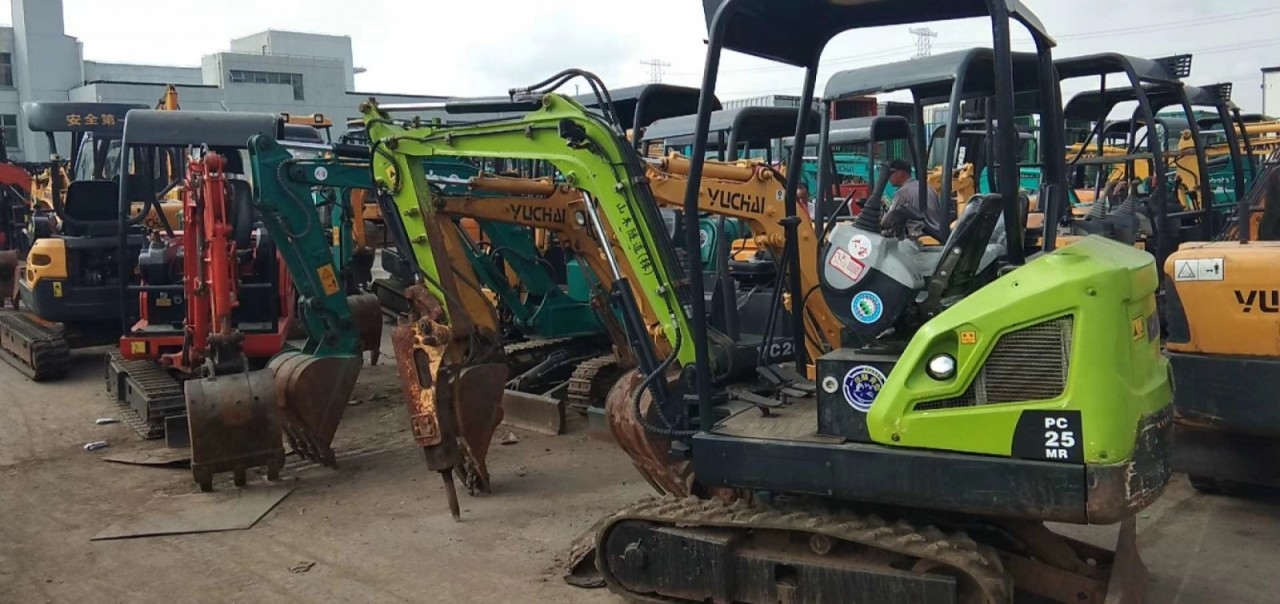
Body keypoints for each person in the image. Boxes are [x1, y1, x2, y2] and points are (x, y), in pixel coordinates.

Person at [880, 158, 944, 241]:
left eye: (891, 173)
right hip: (936, 235)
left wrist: (878, 222)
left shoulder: (903, 192)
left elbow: (887, 221)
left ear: (901, 173)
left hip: (917, 238)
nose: (888, 177)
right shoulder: (928, 187)